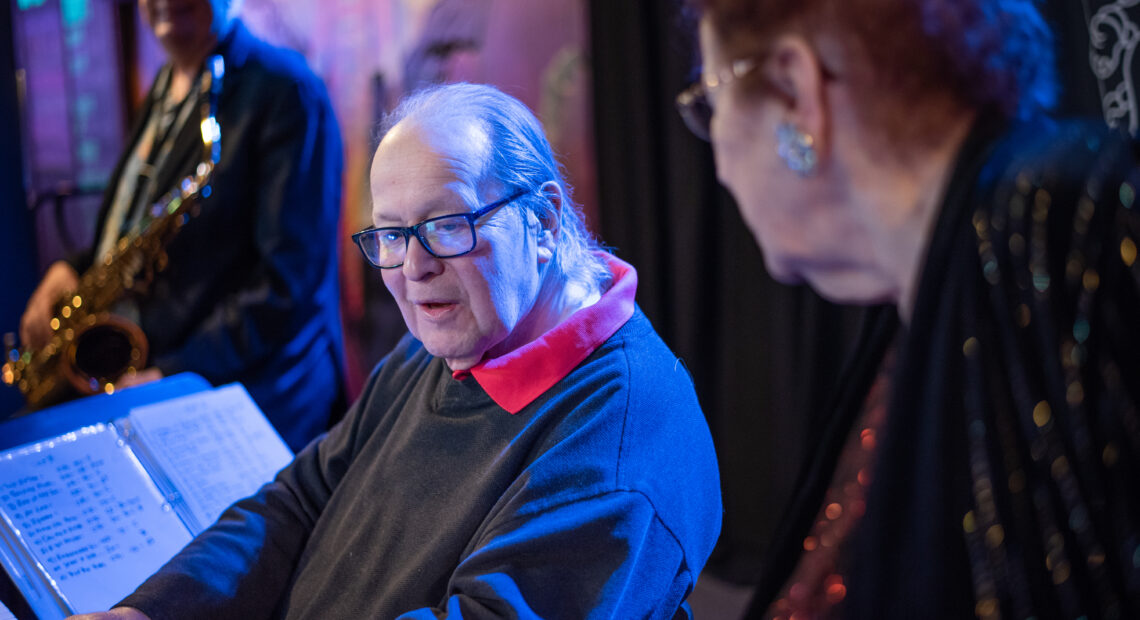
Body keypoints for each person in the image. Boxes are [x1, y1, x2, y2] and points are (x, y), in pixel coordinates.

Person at [69, 82, 723, 619]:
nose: (413, 265)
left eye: (447, 226)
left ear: (545, 223)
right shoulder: (440, 347)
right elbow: (297, 501)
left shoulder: (625, 428)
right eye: (390, 234)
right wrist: (150, 612)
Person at [678, 0, 1140, 617]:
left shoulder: (1063, 219)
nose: (722, 167)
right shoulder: (932, 292)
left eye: (712, 100)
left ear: (796, 93)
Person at [17, 0, 345, 451]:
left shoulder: (286, 90)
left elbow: (286, 284)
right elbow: (135, 221)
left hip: (241, 394)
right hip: (151, 369)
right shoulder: (170, 82)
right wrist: (72, 268)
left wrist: (172, 375)